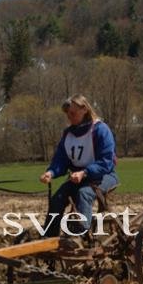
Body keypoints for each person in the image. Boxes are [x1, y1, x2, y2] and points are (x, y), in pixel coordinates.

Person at [39, 94, 119, 237]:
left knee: (84, 194)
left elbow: (106, 161)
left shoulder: (100, 130)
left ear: (84, 109)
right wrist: (51, 172)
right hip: (77, 178)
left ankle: (78, 237)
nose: (69, 117)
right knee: (57, 198)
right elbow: (61, 160)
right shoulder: (68, 134)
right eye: (67, 114)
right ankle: (48, 238)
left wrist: (85, 172)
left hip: (103, 176)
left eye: (72, 113)